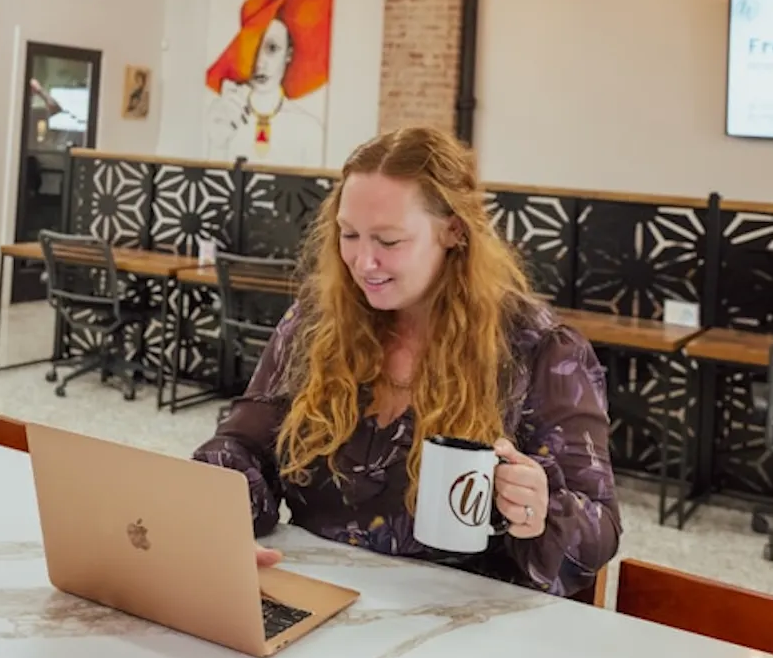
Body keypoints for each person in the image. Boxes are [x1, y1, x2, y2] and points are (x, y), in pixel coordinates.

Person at [193, 127, 621, 596]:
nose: (363, 262)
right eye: (349, 235)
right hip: (318, 594)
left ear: (453, 230)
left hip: (457, 616)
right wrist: (215, 497)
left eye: (389, 241)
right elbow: (244, 445)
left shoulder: (539, 350)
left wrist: (540, 509)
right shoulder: (319, 321)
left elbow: (599, 532)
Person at [205, 0, 332, 167]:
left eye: (272, 48)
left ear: (288, 54)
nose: (260, 63)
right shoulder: (222, 117)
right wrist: (218, 144)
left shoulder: (309, 129)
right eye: (252, 48)